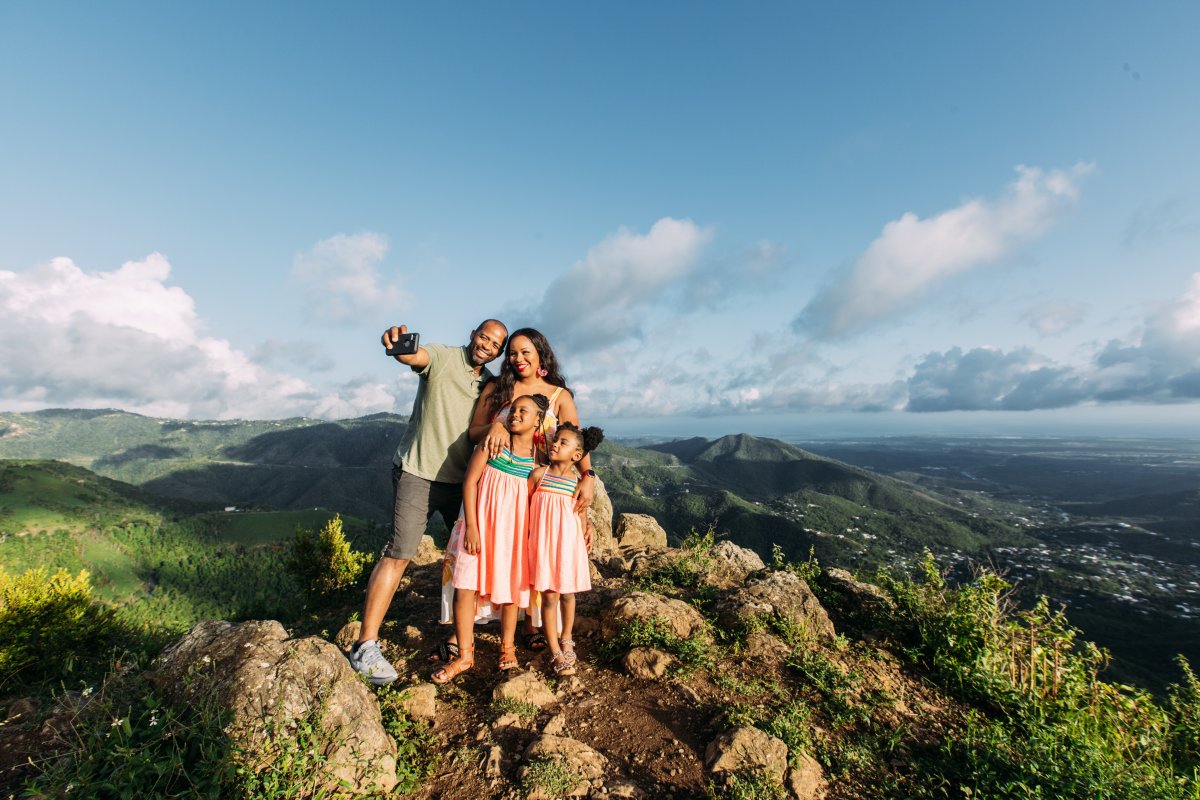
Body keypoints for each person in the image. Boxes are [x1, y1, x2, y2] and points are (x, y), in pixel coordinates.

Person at [348, 319, 507, 685]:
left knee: (471, 557)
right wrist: (399, 348)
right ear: (472, 334)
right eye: (484, 337)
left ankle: (459, 633)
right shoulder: (442, 357)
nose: (487, 346)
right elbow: (414, 357)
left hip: (462, 481)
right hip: (417, 473)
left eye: (496, 344)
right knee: (400, 553)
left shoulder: (492, 385)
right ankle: (365, 645)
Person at [470, 327, 597, 650]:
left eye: (526, 351)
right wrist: (496, 424)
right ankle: (477, 628)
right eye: (512, 353)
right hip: (499, 485)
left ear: (541, 353)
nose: (518, 358)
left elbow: (576, 441)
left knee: (531, 554)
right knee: (504, 554)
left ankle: (531, 624)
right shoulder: (497, 388)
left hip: (543, 489)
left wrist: (589, 477)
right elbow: (473, 433)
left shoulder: (559, 396)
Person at [433, 393, 549, 683]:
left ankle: (507, 647)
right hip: (480, 529)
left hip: (513, 536)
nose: (515, 414)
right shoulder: (493, 443)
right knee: (465, 586)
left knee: (511, 591)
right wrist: (471, 526)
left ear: (538, 421)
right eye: (513, 409)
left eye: (525, 411)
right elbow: (470, 482)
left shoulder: (537, 460)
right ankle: (465, 654)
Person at [527, 423, 604, 676]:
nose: (555, 444)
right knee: (549, 597)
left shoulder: (578, 482)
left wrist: (585, 531)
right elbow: (526, 509)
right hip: (543, 545)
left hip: (567, 546)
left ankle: (567, 637)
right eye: (555, 440)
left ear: (577, 456)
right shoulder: (539, 475)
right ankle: (554, 650)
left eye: (563, 443)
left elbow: (580, 514)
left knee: (568, 595)